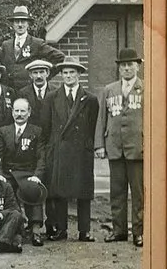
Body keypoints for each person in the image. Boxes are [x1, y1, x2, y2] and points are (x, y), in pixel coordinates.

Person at [42, 55, 101, 241]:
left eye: (72, 72)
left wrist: (88, 146)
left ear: (79, 74)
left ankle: (85, 230)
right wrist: (50, 149)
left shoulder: (89, 99)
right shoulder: (52, 97)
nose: (68, 76)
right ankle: (62, 230)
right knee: (60, 191)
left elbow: (93, 126)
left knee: (83, 191)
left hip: (81, 150)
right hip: (59, 149)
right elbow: (46, 127)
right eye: (65, 73)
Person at [100, 47, 147, 246]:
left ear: (137, 66)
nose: (127, 69)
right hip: (115, 147)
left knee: (138, 193)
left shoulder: (146, 88)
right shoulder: (109, 90)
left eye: (130, 65)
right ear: (119, 69)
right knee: (116, 191)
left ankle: (138, 231)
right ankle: (119, 230)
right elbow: (101, 120)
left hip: (137, 148)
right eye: (123, 65)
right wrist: (99, 146)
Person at [0, 93, 48, 241]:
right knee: (7, 190)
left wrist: (37, 175)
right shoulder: (3, 131)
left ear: (29, 112)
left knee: (34, 188)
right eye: (16, 111)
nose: (19, 114)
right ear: (12, 112)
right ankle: (16, 229)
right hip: (8, 173)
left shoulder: (36, 131)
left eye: (23, 111)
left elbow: (41, 157)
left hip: (28, 172)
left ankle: (36, 229)